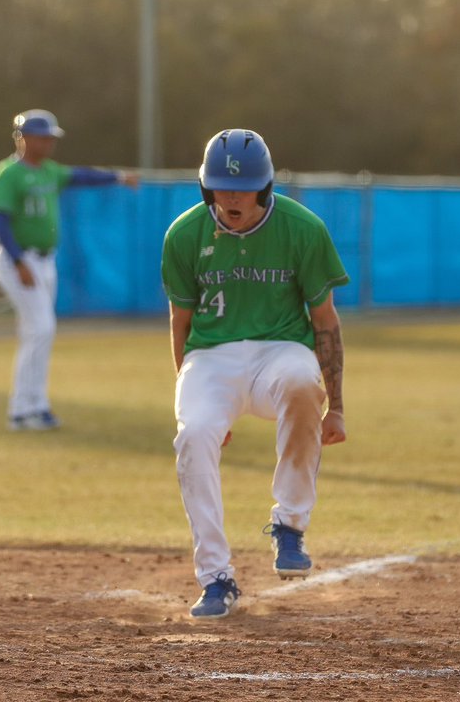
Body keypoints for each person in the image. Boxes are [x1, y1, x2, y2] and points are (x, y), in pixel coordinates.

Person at [161, 128, 348, 619]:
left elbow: (325, 321)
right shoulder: (184, 234)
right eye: (221, 186)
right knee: (194, 436)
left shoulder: (302, 229)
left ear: (266, 187)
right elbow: (180, 323)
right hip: (211, 358)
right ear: (206, 187)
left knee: (303, 382)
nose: (232, 196)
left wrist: (339, 408)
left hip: (280, 349)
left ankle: (289, 524)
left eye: (242, 187)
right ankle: (216, 577)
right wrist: (194, 400)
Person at [0, 109, 139, 431]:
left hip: (44, 260)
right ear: (23, 138)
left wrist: (117, 177)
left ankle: (34, 407)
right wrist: (18, 261)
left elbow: (82, 176)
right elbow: (0, 220)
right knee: (40, 329)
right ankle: (21, 410)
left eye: (50, 137)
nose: (48, 143)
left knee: (38, 331)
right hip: (19, 259)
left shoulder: (49, 172)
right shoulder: (8, 174)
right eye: (43, 137)